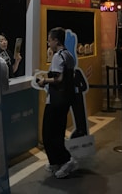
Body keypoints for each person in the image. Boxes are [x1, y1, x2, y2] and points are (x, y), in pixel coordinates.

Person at [37, 27, 78, 179]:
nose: (48, 42)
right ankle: (56, 162)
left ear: (56, 40)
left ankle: (67, 161)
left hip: (55, 100)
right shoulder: (68, 55)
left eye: (49, 39)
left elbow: (59, 78)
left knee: (48, 133)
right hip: (65, 100)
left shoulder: (57, 56)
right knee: (57, 132)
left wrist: (43, 80)